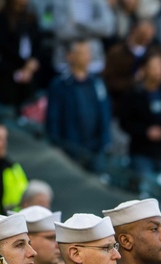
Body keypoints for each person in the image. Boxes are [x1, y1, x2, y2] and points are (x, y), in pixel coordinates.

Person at [46, 39, 112, 173]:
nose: (87, 57)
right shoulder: (60, 85)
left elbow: (105, 114)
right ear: (70, 56)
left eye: (88, 53)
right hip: (69, 149)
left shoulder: (97, 83)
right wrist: (58, 145)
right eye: (82, 53)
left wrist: (104, 142)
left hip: (95, 149)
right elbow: (53, 119)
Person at [120, 51, 161, 187]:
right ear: (144, 69)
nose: (158, 71)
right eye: (154, 67)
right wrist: (145, 131)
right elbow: (124, 123)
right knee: (143, 193)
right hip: (142, 152)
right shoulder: (134, 94)